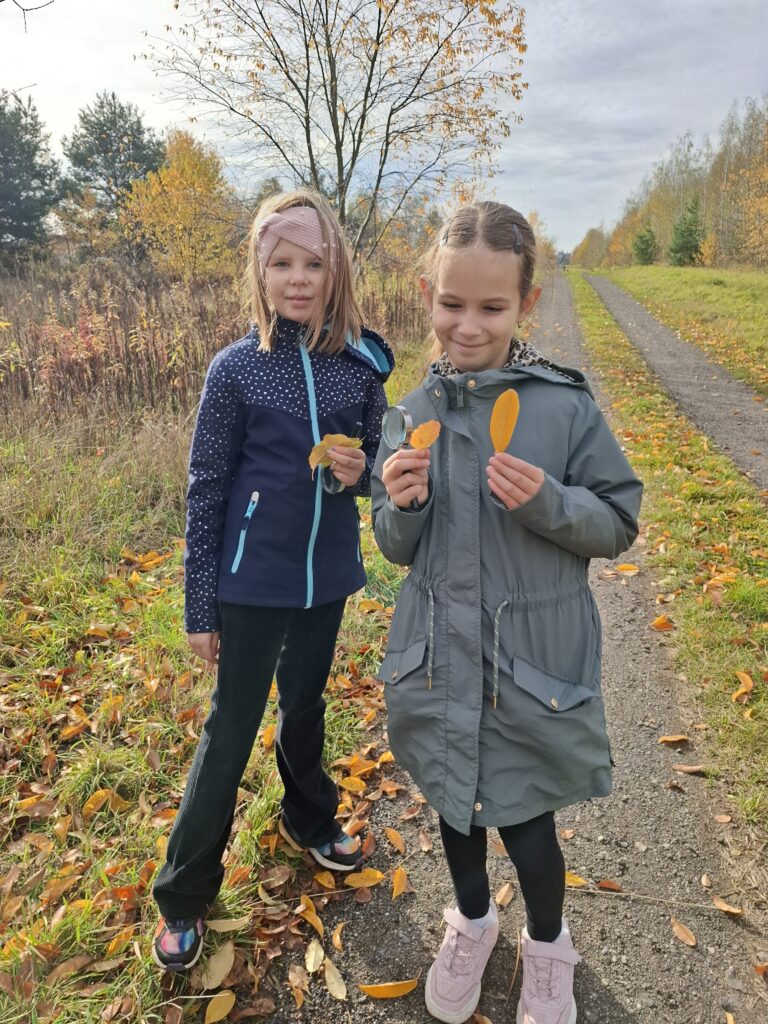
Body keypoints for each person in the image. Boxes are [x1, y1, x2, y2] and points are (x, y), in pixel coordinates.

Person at [371, 202, 642, 1024]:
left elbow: (618, 519)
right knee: (455, 808)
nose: (469, 324)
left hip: (528, 664)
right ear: (428, 295)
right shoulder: (410, 411)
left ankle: (549, 945)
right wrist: (401, 503)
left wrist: (551, 503)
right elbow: (394, 545)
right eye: (452, 304)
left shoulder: (563, 408)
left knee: (526, 821)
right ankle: (473, 922)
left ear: (526, 304)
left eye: (492, 307)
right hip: (436, 659)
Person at [152, 190, 394, 972]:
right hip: (248, 584)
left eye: (313, 262)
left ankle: (307, 816)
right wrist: (200, 605)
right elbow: (206, 486)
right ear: (258, 269)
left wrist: (360, 474)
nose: (297, 278)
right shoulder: (237, 372)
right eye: (280, 261)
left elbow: (378, 476)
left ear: (336, 270)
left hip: (325, 579)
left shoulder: (360, 366)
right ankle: (184, 894)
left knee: (306, 708)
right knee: (230, 731)